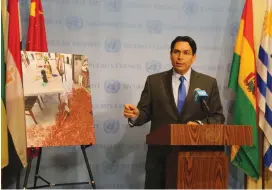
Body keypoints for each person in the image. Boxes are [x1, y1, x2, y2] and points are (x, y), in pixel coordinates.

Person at [123, 36, 225, 189]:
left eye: (186, 52)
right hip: (160, 158)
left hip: (195, 157)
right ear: (170, 54)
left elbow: (217, 116)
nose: (180, 57)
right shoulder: (154, 81)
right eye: (176, 52)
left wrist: (199, 124)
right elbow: (144, 112)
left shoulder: (208, 83)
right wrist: (136, 115)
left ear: (194, 57)